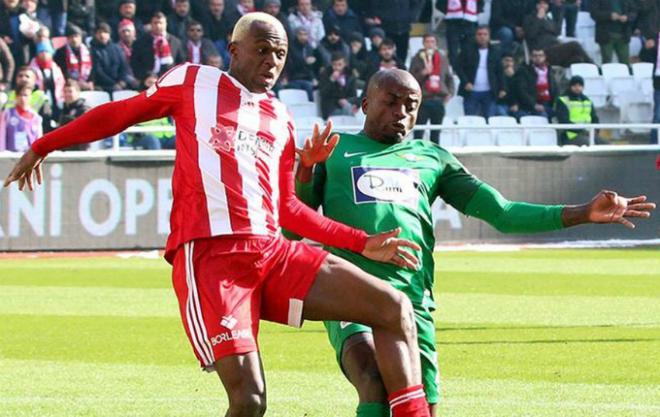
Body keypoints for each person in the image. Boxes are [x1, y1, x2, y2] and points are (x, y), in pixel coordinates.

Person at [3, 13, 434, 417]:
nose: (272, 61)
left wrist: (362, 242)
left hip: (274, 252)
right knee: (250, 401)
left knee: (393, 307)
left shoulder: (280, 118)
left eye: (280, 54)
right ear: (234, 49)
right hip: (214, 258)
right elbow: (122, 113)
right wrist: (46, 143)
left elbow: (286, 207)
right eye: (262, 49)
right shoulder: (193, 81)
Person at [292, 68, 656, 417]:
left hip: (411, 300)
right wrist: (305, 172)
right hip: (350, 293)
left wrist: (583, 212)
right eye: (390, 101)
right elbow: (294, 225)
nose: (401, 112)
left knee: (423, 406)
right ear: (365, 104)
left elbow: (502, 212)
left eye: (411, 104)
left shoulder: (432, 158)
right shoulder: (334, 150)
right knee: (372, 378)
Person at [409, 33, 454, 143]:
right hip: (423, 99)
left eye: (432, 42)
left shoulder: (442, 58)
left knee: (436, 132)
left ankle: (435, 155)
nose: (430, 44)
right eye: (427, 42)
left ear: (436, 44)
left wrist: (450, 92)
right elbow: (410, 78)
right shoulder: (417, 58)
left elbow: (449, 77)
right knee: (419, 132)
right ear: (423, 43)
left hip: (438, 99)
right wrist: (423, 73)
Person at [523, 0, 593, 67]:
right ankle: (594, 66)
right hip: (542, 52)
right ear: (536, 6)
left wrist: (559, 9)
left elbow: (557, 32)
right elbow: (530, 34)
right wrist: (538, 19)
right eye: (540, 4)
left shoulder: (548, 18)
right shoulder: (529, 18)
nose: (542, 6)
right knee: (575, 45)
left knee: (577, 59)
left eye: (545, 4)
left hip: (555, 47)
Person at [456, 25, 502, 118]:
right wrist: (465, 82)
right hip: (471, 92)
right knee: (470, 120)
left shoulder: (495, 51)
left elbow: (499, 71)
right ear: (475, 36)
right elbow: (458, 68)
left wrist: (502, 88)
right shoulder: (467, 50)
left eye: (485, 34)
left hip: (490, 92)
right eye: (479, 34)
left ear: (489, 36)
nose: (482, 37)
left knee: (490, 121)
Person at [131, 12, 186, 82]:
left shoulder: (175, 42)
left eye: (161, 23)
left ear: (166, 24)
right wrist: (146, 76)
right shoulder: (140, 43)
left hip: (170, 81)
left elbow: (181, 63)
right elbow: (135, 63)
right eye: (155, 23)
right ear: (151, 24)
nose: (158, 26)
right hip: (147, 82)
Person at [90, 23, 139, 93]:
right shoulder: (93, 50)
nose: (102, 35)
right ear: (95, 35)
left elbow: (124, 66)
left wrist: (122, 80)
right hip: (104, 83)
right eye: (99, 32)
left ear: (109, 34)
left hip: (120, 80)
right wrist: (114, 84)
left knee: (136, 85)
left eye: (105, 32)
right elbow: (98, 72)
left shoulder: (117, 48)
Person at [512, 47, 557, 119]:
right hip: (532, 104)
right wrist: (534, 104)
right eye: (535, 56)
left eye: (540, 55)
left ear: (545, 57)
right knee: (543, 116)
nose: (538, 58)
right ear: (531, 57)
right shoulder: (524, 71)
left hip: (548, 103)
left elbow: (554, 88)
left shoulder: (549, 70)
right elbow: (521, 91)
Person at [555, 75, 600, 146]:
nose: (577, 88)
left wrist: (596, 130)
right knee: (589, 144)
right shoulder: (562, 100)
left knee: (607, 145)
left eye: (580, 85)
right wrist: (582, 131)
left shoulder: (587, 100)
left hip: (588, 134)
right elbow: (563, 121)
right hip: (570, 135)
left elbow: (594, 118)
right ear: (570, 86)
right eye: (575, 85)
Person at [0, 84, 42, 151]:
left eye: (25, 95)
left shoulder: (36, 117)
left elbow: (39, 139)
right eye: (20, 95)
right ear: (16, 97)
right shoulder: (7, 113)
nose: (22, 98)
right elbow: (1, 138)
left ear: (30, 96)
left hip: (29, 156)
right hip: (10, 155)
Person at [53, 24, 94, 91]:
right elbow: (61, 70)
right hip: (69, 85)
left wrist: (90, 81)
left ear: (81, 38)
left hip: (86, 84)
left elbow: (93, 68)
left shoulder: (88, 51)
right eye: (71, 37)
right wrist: (76, 83)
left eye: (76, 36)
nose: (74, 40)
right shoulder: (60, 52)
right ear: (67, 39)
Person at [319, 52, 358, 118]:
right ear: (331, 64)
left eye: (339, 65)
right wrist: (331, 80)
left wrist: (347, 101)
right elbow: (322, 93)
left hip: (346, 106)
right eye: (334, 64)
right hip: (331, 109)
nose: (337, 67)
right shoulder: (325, 74)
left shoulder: (350, 75)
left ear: (344, 64)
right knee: (347, 109)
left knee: (348, 107)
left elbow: (354, 96)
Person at [58, 79, 90, 150]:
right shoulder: (64, 109)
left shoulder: (84, 109)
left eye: (70, 91)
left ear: (78, 93)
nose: (67, 94)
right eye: (65, 92)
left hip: (80, 150)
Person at [639, 31, 659, 144]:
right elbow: (645, 57)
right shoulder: (656, 39)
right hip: (659, 83)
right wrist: (646, 48)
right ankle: (654, 142)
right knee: (658, 114)